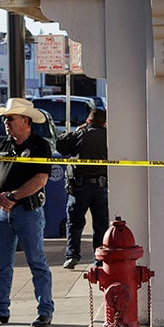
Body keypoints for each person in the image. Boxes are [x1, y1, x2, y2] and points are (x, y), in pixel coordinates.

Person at [0, 98, 55, 327]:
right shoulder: (1, 146)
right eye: (5, 118)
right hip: (2, 211)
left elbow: (41, 179)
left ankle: (45, 310)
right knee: (0, 264)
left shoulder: (40, 145)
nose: (6, 122)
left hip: (27, 210)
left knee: (36, 261)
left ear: (25, 120)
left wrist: (13, 196)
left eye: (10, 118)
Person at [56, 108, 109, 270]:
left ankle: (72, 256)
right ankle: (99, 259)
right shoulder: (109, 136)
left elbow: (61, 146)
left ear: (88, 121)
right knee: (100, 225)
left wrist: (76, 131)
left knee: (74, 223)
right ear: (104, 123)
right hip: (101, 187)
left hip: (79, 186)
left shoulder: (81, 134)